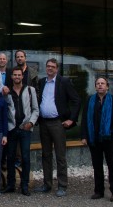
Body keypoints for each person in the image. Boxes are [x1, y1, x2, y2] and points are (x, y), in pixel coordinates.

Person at [34, 58, 81, 197]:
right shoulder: (42, 82)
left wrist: (71, 119)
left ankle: (62, 185)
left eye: (52, 67)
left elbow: (76, 100)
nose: (50, 68)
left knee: (60, 155)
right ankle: (47, 184)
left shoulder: (64, 82)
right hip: (44, 123)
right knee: (46, 155)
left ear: (57, 69)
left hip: (57, 123)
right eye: (48, 66)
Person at [80, 77, 113, 202]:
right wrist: (84, 136)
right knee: (97, 166)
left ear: (107, 86)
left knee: (112, 165)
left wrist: (112, 132)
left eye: (102, 83)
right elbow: (84, 119)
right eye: (98, 84)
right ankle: (98, 191)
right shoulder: (90, 100)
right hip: (94, 139)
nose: (100, 85)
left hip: (108, 139)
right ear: (95, 87)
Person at [3, 66, 39, 196]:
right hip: (12, 128)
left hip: (25, 128)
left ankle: (24, 185)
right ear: (11, 77)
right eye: (15, 75)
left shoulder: (30, 90)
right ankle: (10, 184)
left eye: (19, 75)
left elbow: (36, 109)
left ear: (22, 76)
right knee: (10, 157)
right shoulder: (7, 92)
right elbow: (4, 110)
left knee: (25, 157)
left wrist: (31, 123)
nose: (17, 77)